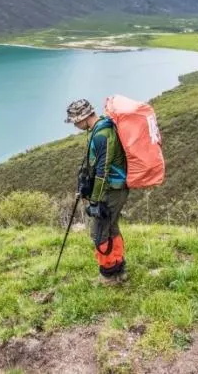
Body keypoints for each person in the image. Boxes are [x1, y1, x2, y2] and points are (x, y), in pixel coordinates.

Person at [65, 98, 129, 285]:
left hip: (111, 191)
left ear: (83, 117)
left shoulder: (102, 134)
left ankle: (109, 276)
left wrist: (95, 200)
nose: (75, 125)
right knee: (111, 227)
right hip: (114, 189)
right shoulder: (101, 128)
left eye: (75, 121)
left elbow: (102, 171)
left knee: (99, 232)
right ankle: (118, 269)